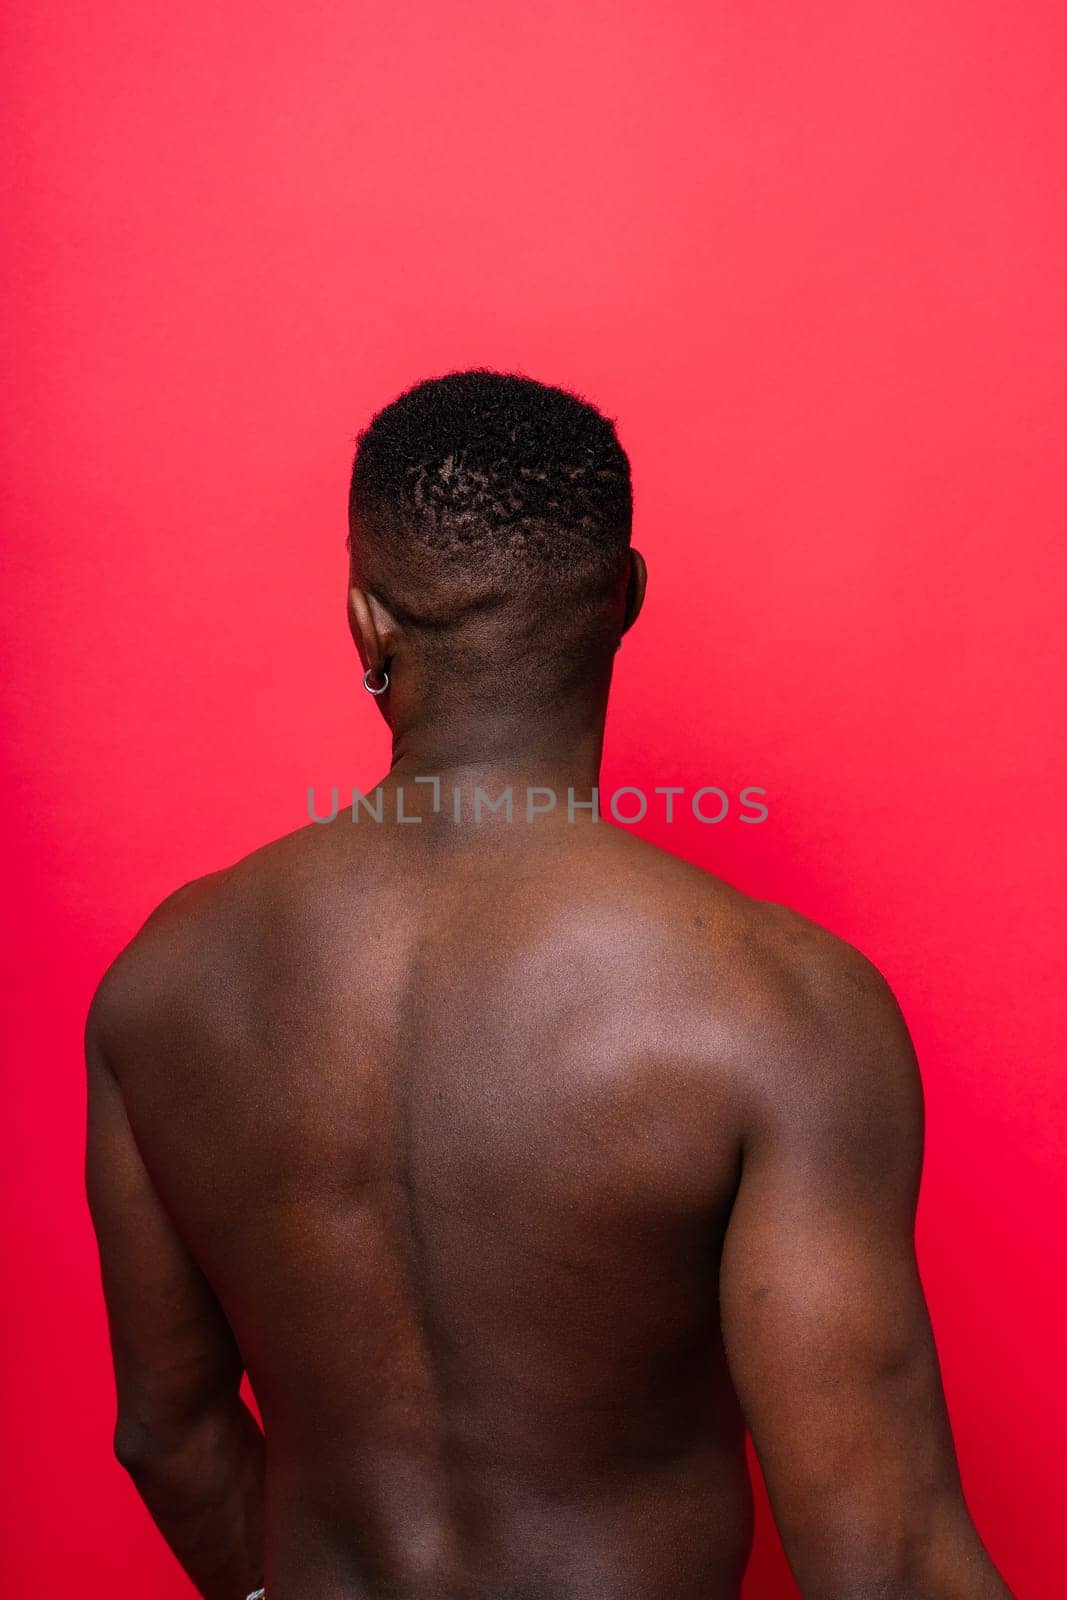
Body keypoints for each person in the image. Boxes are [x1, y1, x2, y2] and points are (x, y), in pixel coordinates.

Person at [86, 370, 1013, 1600]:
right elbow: (882, 1562)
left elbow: (171, 1435)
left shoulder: (162, 983)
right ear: (623, 599)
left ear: (367, 625)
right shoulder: (775, 1007)